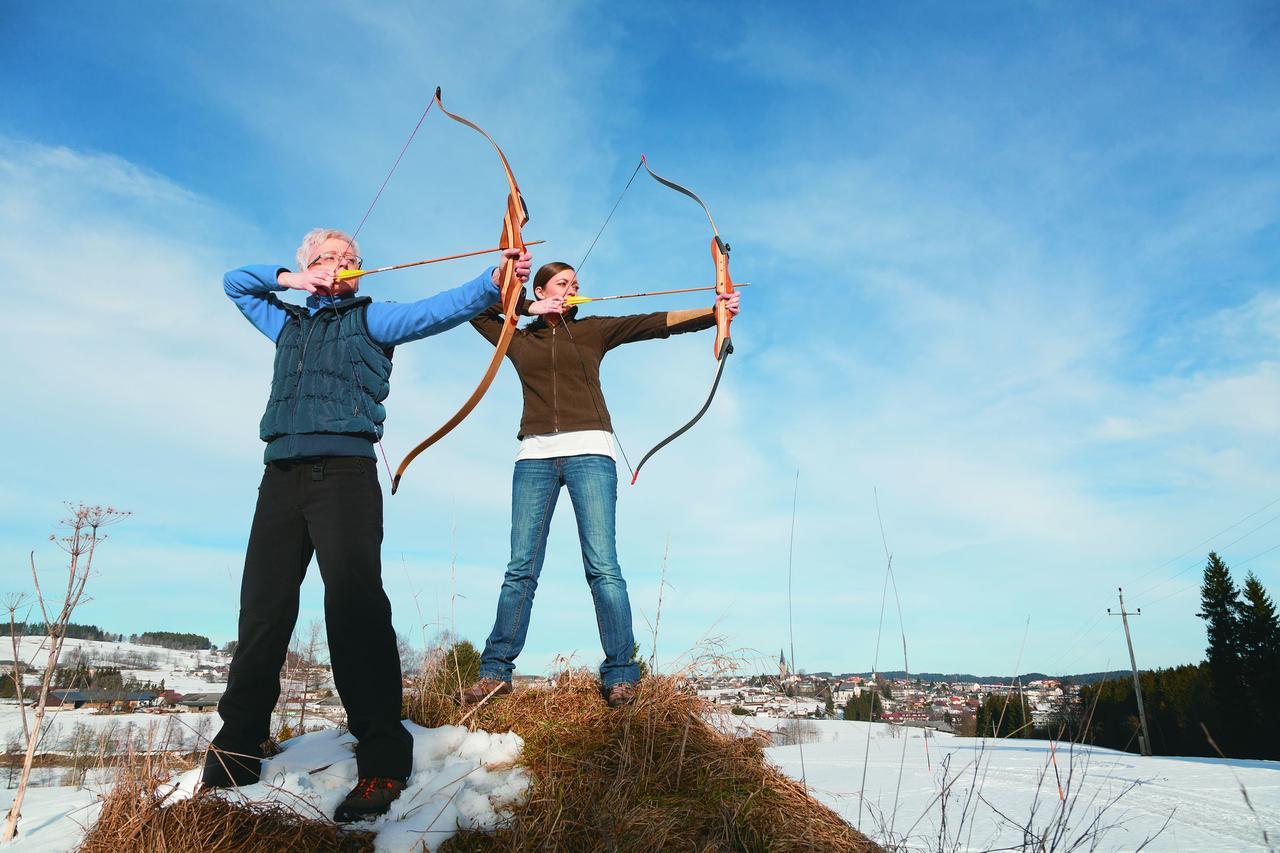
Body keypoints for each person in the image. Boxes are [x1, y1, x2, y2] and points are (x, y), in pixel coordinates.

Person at [204, 228, 531, 822]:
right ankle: (236, 750)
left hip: (344, 475)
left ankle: (383, 759)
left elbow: (440, 310)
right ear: (308, 268)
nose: (341, 266)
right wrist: (292, 280)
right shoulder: (288, 324)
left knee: (354, 610)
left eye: (351, 260)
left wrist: (494, 280)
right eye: (328, 259)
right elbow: (235, 282)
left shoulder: (372, 320)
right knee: (261, 614)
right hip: (279, 476)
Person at [460, 262, 741, 708]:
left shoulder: (592, 331)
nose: (572, 290)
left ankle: (621, 675)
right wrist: (526, 305)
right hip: (533, 456)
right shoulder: (516, 336)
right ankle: (496, 672)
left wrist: (714, 312)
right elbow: (475, 310)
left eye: (575, 285)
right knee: (520, 569)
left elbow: (651, 324)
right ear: (540, 289)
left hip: (591, 452)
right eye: (562, 284)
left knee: (603, 566)